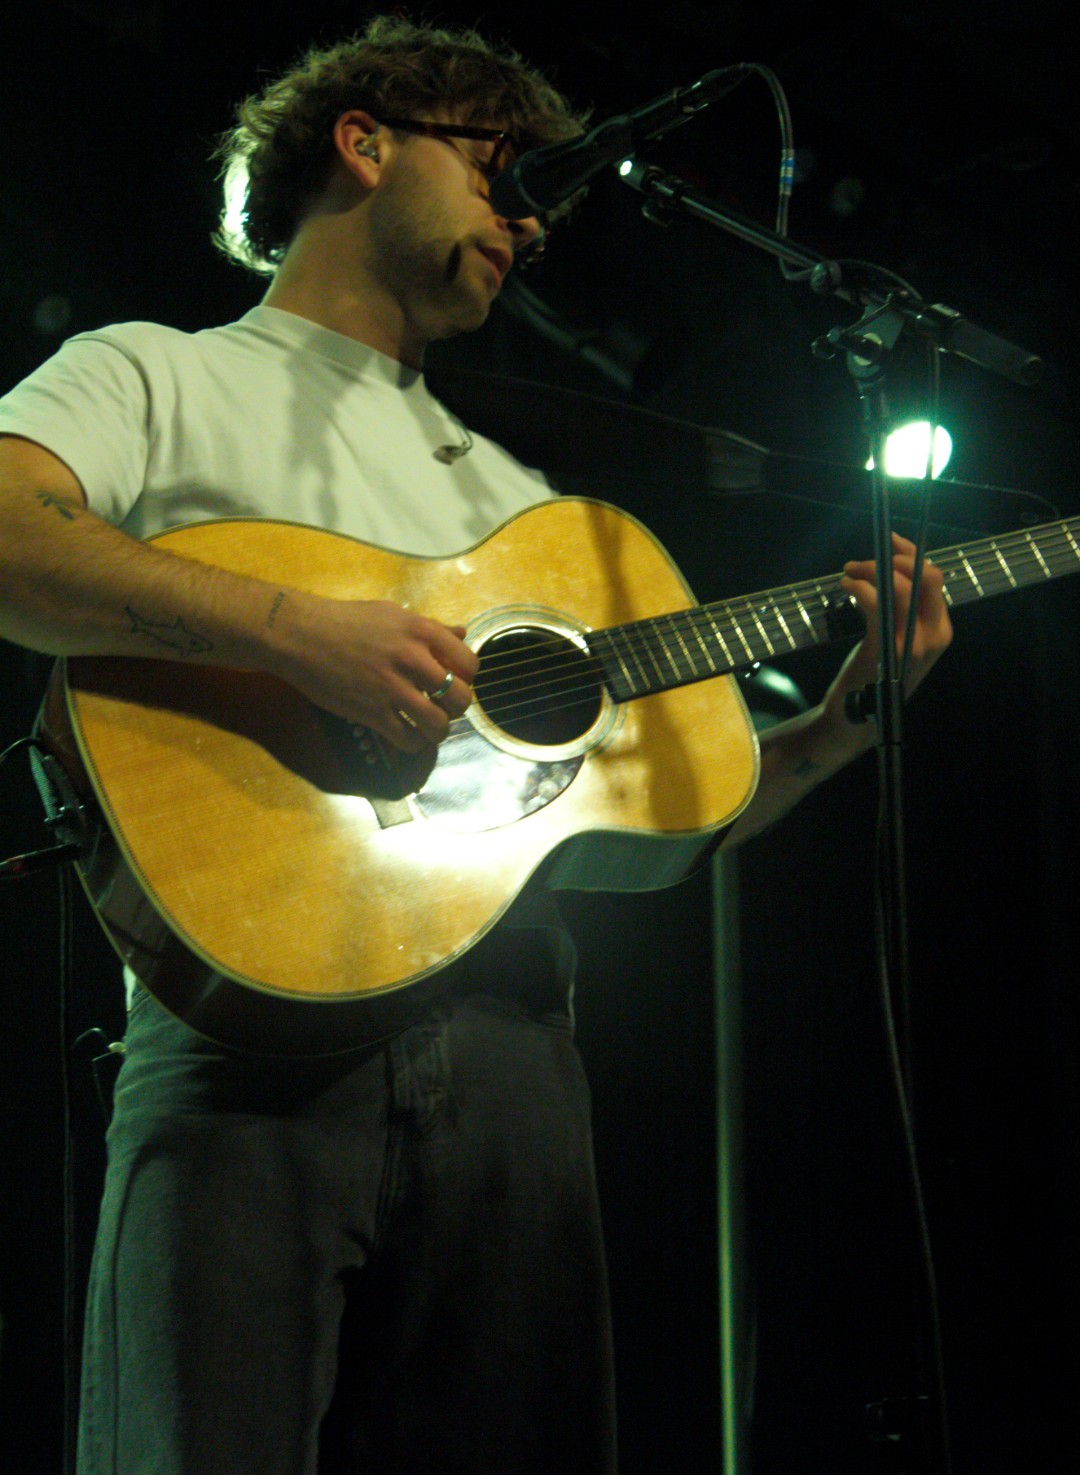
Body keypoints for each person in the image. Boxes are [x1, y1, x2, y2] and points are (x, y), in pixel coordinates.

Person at [0, 16, 953, 1474]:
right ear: (365, 143)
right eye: (499, 168)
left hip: (516, 1048)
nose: (530, 218)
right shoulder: (153, 371)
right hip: (239, 1036)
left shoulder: (523, 499)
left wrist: (844, 723)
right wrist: (295, 631)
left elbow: (649, 819)